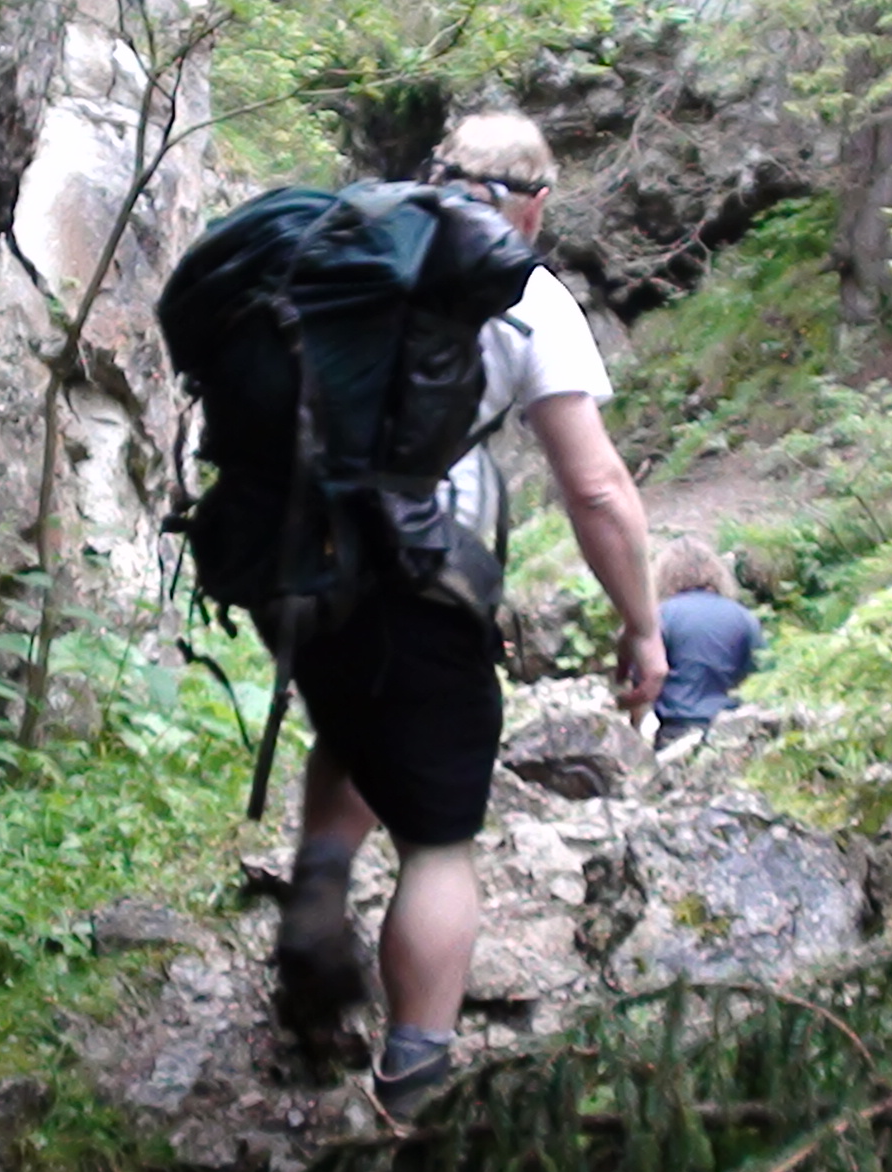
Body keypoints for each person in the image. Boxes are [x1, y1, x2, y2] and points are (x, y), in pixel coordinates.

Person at [273, 112, 666, 1121]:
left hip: (300, 555)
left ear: (435, 172)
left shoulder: (347, 244)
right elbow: (597, 489)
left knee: (354, 726)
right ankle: (415, 1081)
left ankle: (321, 877)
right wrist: (642, 623)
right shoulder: (525, 291)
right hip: (424, 575)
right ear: (534, 204)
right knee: (440, 840)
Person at [651, 537, 765, 748]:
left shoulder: (660, 616)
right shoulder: (744, 617)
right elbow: (761, 679)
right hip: (732, 733)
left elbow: (646, 675)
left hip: (676, 731)